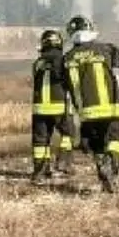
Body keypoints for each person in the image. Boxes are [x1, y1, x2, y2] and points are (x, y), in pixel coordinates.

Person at [62, 15, 119, 194]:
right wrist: (118, 51)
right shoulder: (105, 49)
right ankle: (111, 164)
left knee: (99, 148)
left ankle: (106, 182)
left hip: (87, 116)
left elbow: (63, 85)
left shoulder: (66, 59)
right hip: (111, 111)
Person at [29, 29, 79, 184]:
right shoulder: (63, 60)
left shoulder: (37, 63)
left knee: (40, 141)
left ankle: (40, 172)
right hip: (59, 106)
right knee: (68, 134)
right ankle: (63, 163)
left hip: (39, 109)